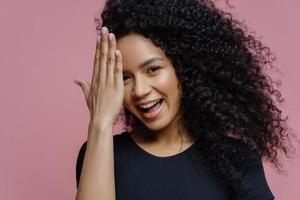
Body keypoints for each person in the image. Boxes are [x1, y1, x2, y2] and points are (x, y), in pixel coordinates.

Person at [74, 0, 295, 199]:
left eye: (152, 69)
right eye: (125, 77)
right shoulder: (101, 153)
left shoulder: (236, 160)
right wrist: (100, 123)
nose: (139, 90)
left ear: (184, 68)